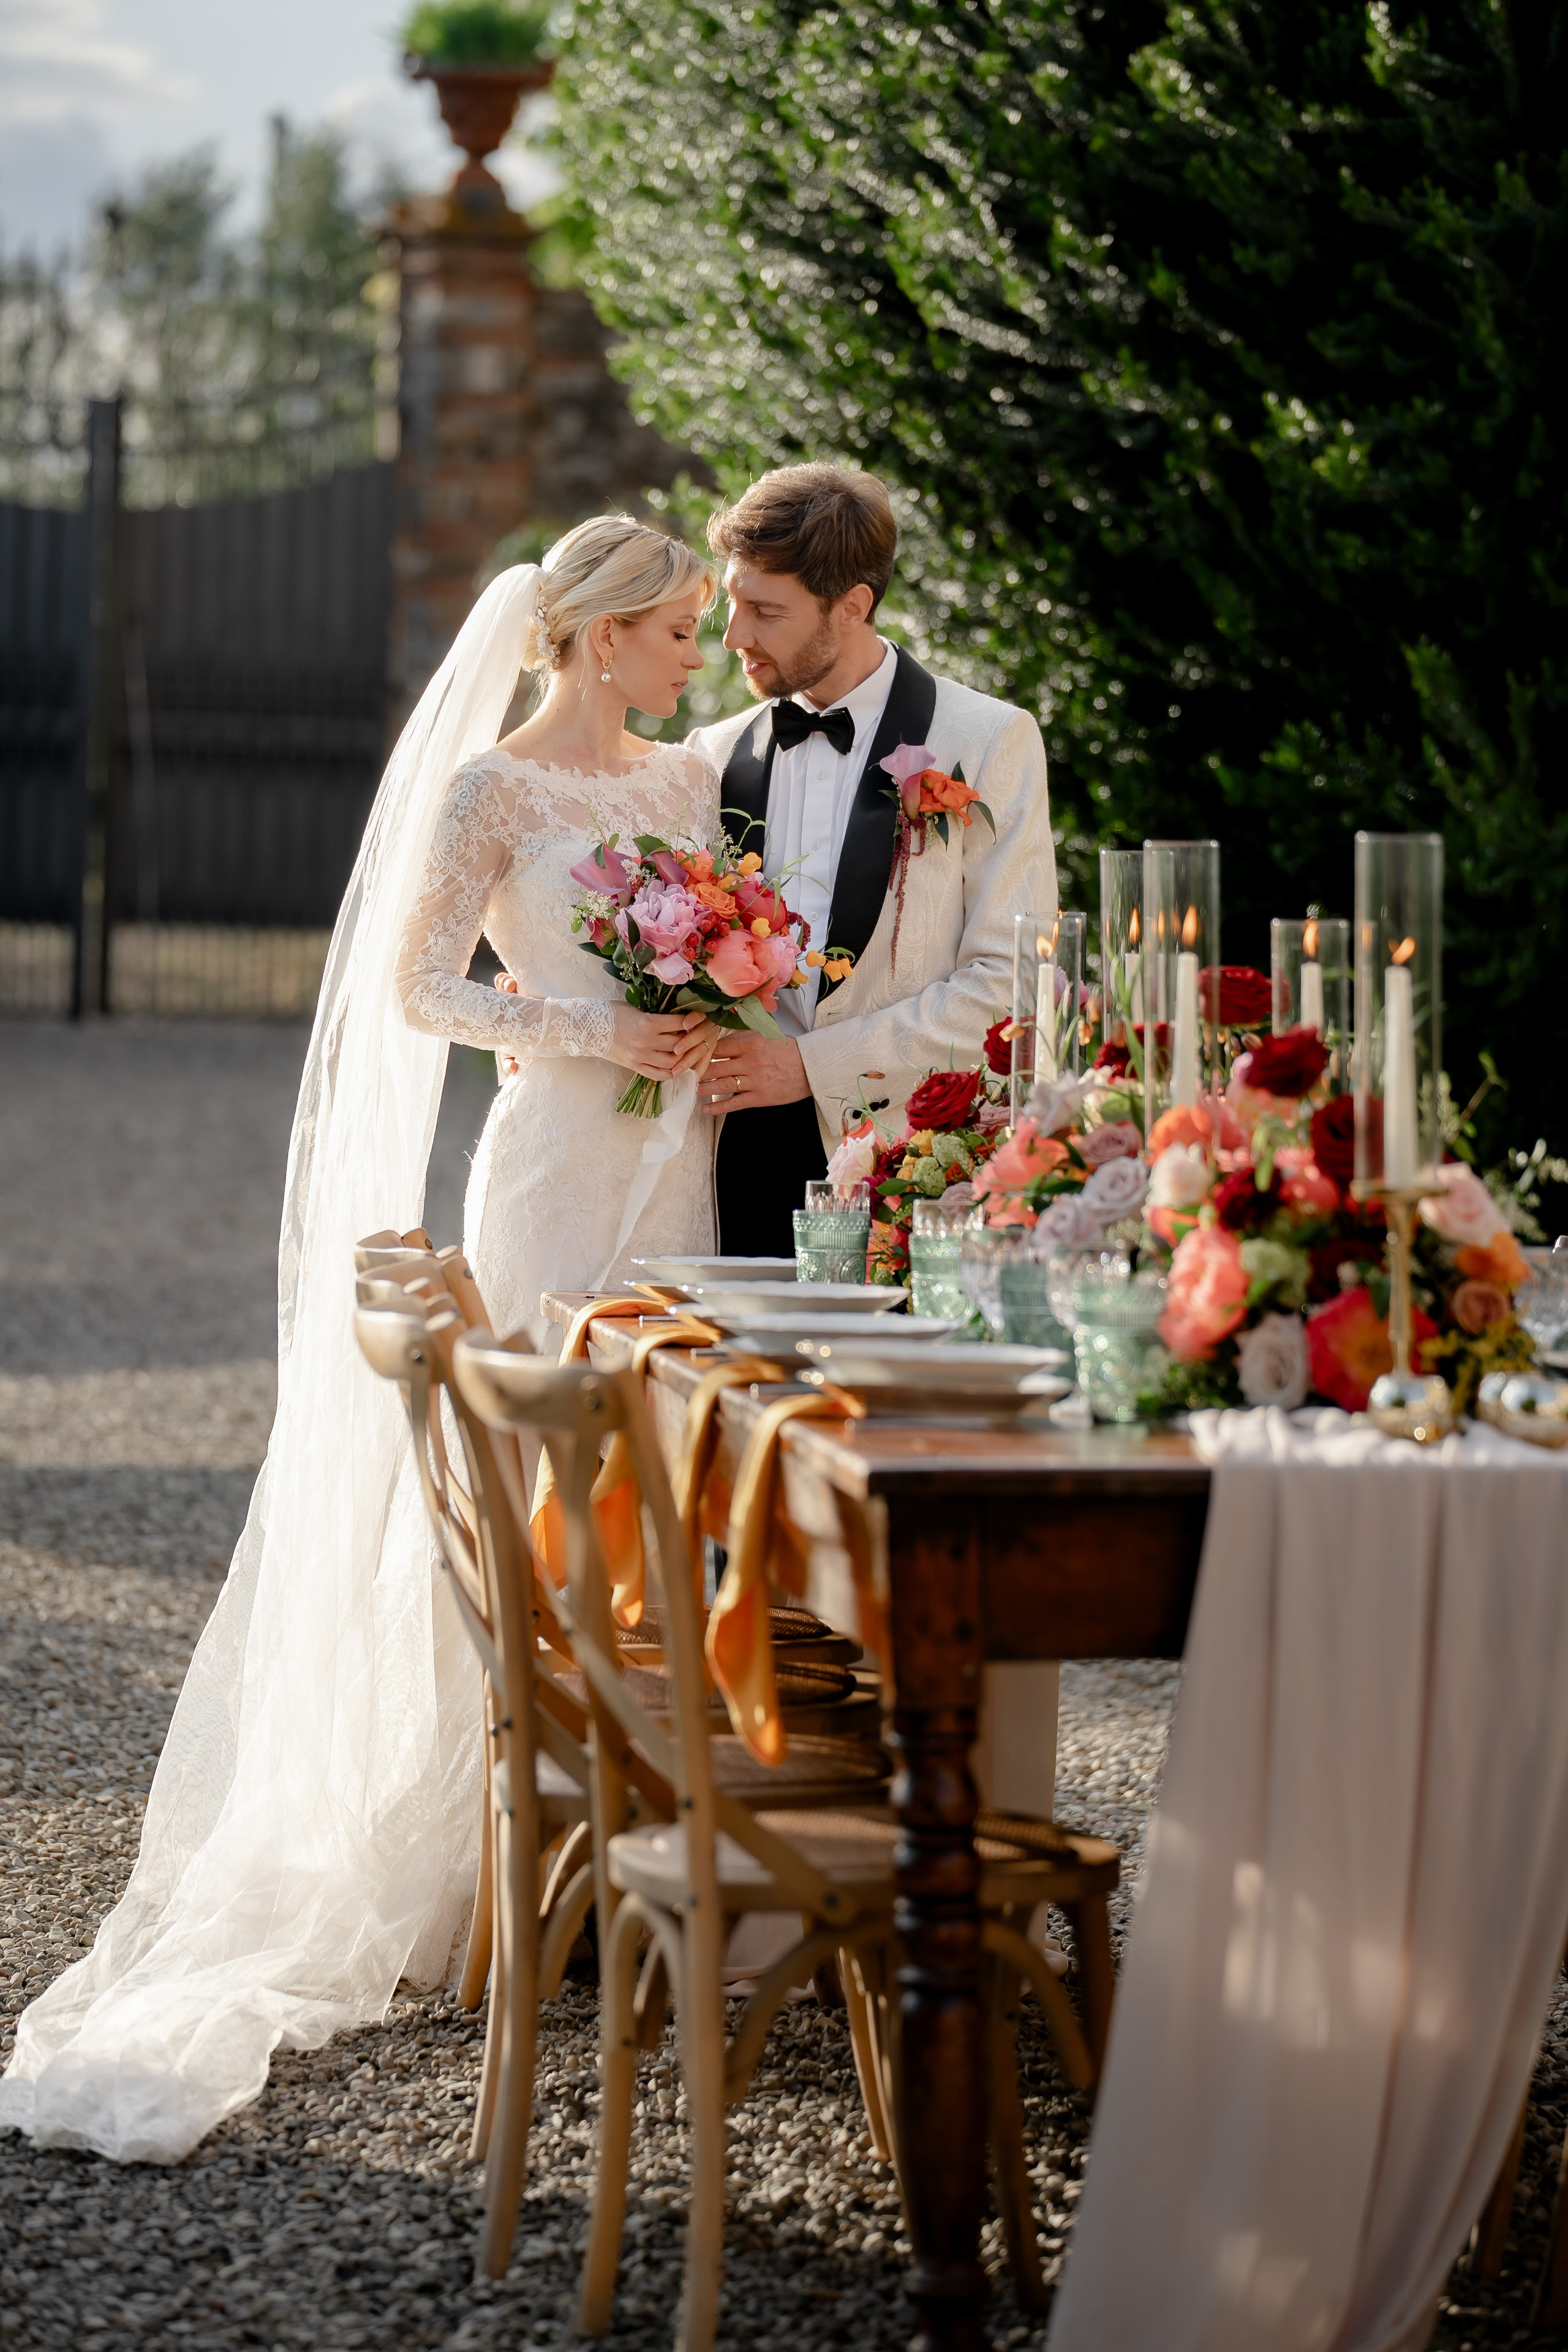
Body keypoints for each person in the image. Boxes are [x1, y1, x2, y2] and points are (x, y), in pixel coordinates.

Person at [0, 516, 723, 2165]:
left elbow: (719, 941)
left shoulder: (690, 786)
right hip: (549, 1162)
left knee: (661, 1484)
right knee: (538, 1486)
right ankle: (484, 1867)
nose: (701, 652)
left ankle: (628, 1855)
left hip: (671, 1164)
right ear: (600, 636)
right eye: (681, 627)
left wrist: (715, 1016)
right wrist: (591, 1026)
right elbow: (420, 989)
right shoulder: (491, 796)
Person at [687, 464, 1057, 1256]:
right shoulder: (707, 755)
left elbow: (1011, 985)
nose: (733, 636)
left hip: (910, 1166)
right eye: (731, 603)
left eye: (765, 611)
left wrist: (814, 1067)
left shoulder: (989, 741)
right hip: (725, 1165)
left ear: (852, 606)